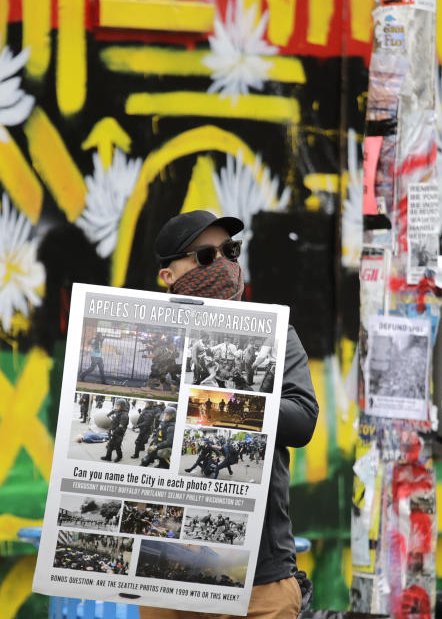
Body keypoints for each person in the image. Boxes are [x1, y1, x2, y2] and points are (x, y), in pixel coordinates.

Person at [140, 210, 319, 619]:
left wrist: (224, 403)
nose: (222, 263)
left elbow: (302, 419)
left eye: (230, 251)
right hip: (166, 582)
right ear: (169, 275)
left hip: (260, 583)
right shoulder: (150, 339)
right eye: (205, 256)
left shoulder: (275, 334)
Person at [101, 398, 129, 462]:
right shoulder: (118, 410)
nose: (117, 406)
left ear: (122, 406)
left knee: (117, 446)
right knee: (110, 445)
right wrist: (109, 414)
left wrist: (114, 432)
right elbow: (114, 410)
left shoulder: (124, 415)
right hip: (113, 431)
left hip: (118, 433)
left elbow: (121, 426)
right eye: (117, 405)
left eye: (118, 405)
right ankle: (108, 457)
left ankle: (119, 457)